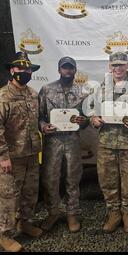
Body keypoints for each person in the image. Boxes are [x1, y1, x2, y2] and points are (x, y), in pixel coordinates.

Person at [0, 52, 43, 252]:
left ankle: (25, 223)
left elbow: (37, 122)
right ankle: (5, 235)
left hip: (31, 154)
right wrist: (2, 156)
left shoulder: (33, 94)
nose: (25, 73)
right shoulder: (1, 96)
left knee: (30, 193)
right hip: (11, 157)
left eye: (28, 70)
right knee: (9, 196)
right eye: (21, 69)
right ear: (12, 71)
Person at [90, 52, 128, 234]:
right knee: (107, 179)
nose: (118, 68)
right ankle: (114, 213)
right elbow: (91, 110)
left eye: (121, 64)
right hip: (106, 142)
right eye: (114, 65)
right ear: (109, 66)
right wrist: (94, 119)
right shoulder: (100, 88)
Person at [38, 56, 88, 232]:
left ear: (75, 70)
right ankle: (53, 212)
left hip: (72, 140)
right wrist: (44, 127)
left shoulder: (83, 92)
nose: (68, 71)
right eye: (64, 68)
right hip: (53, 141)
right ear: (59, 70)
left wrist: (83, 121)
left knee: (72, 178)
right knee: (50, 178)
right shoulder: (46, 90)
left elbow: (87, 119)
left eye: (71, 68)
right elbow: (39, 117)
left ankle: (72, 213)